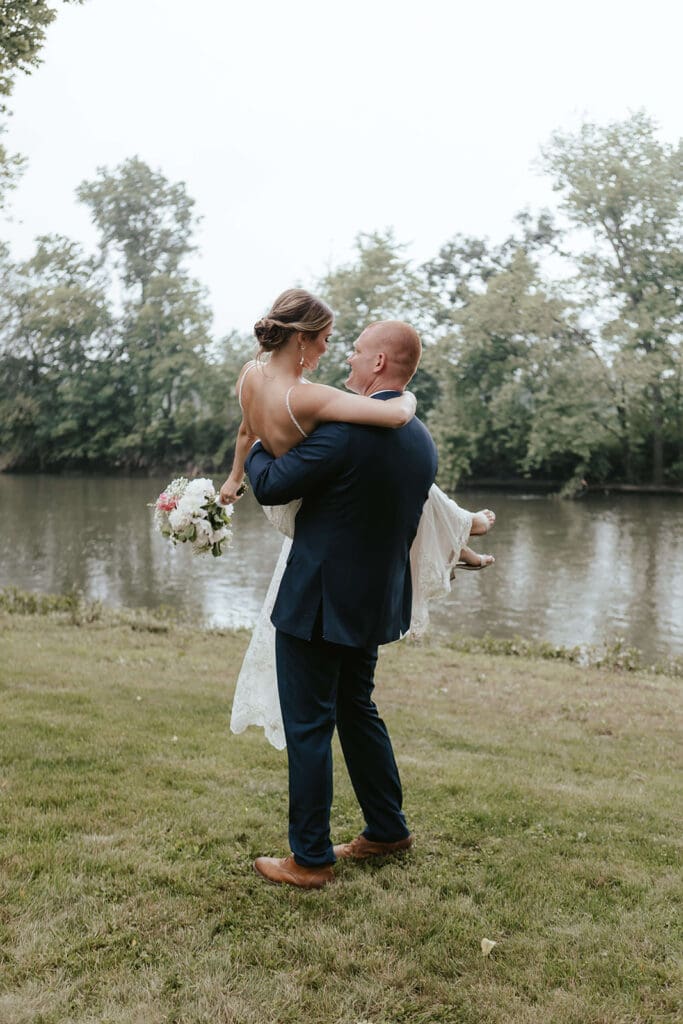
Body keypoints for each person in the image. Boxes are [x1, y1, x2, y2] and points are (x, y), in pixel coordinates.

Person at [226, 291, 494, 889]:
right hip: (374, 604)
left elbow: (270, 486)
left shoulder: (342, 433)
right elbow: (425, 513)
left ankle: (310, 859)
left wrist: (265, 438)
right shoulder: (420, 439)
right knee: (356, 709)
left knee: (308, 725)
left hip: (318, 604)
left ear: (378, 365)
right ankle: (387, 828)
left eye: (356, 351)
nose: (345, 358)